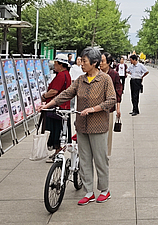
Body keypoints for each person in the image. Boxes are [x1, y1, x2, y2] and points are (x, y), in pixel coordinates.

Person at [41, 47, 116, 205]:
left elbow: (111, 100)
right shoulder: (80, 80)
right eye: (81, 61)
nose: (81, 64)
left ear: (94, 63)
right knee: (84, 159)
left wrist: (93, 109)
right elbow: (66, 94)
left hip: (98, 127)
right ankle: (89, 191)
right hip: (82, 126)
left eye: (84, 61)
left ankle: (104, 190)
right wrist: (48, 105)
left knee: (100, 159)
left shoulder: (105, 79)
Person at [41, 57, 71, 161]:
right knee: (59, 129)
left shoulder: (61, 75)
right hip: (62, 107)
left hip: (57, 108)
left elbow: (54, 91)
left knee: (55, 130)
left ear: (61, 64)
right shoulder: (66, 74)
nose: (54, 65)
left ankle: (58, 151)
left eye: (56, 63)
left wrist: (44, 96)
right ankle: (57, 151)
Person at [100, 52, 123, 158]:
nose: (100, 63)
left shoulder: (114, 74)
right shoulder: (96, 73)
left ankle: (106, 153)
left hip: (109, 108)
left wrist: (118, 108)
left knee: (108, 131)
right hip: (96, 106)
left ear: (108, 63)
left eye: (102, 61)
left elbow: (118, 92)